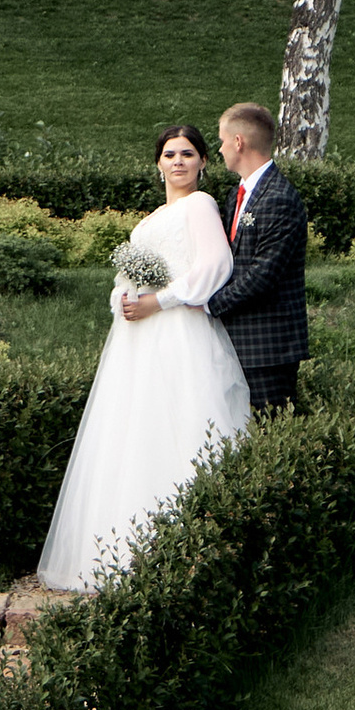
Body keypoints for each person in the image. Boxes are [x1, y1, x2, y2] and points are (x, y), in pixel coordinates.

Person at [37, 122, 251, 592]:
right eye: (170, 154)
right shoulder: (147, 221)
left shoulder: (201, 205)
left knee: (183, 420)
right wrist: (124, 299)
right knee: (136, 430)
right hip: (137, 341)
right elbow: (124, 279)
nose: (178, 161)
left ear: (203, 162)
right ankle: (126, 553)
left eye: (188, 153)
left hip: (179, 330)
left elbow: (216, 266)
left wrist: (161, 301)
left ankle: (187, 552)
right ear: (158, 164)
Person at [206, 100, 308, 412]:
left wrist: (209, 304)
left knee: (267, 431)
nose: (220, 149)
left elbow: (263, 275)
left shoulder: (278, 198)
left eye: (222, 140)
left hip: (267, 349)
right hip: (236, 341)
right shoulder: (237, 195)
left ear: (238, 142)